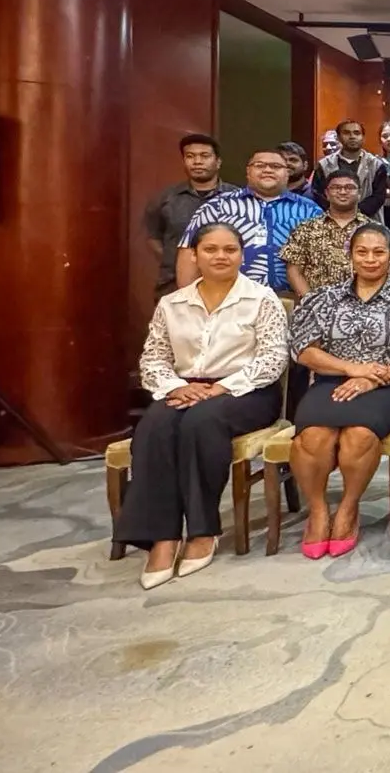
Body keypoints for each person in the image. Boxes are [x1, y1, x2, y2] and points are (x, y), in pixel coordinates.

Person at [117, 223, 289, 588]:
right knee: (154, 426)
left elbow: (273, 359)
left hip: (247, 392)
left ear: (242, 255)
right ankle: (161, 536)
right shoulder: (172, 303)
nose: (221, 257)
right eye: (211, 249)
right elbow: (154, 359)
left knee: (202, 422)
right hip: (183, 388)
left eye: (230, 249)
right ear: (194, 255)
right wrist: (175, 387)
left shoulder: (261, 299)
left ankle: (202, 529)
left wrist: (222, 388)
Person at [289, 223, 390, 557]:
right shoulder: (323, 298)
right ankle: (318, 509)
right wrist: (351, 370)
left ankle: (348, 508)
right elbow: (304, 350)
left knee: (358, 435)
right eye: (362, 252)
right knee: (313, 437)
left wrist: (372, 379)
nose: (370, 259)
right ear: (350, 255)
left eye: (379, 252)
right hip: (331, 383)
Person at [176, 146, 323, 292]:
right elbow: (189, 252)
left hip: (295, 301)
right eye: (259, 166)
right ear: (248, 172)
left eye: (276, 166)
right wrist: (188, 300)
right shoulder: (217, 207)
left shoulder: (309, 210)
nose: (267, 170)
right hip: (229, 299)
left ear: (286, 173)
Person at [144, 133, 235, 296]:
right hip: (173, 285)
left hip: (227, 285)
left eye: (204, 156)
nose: (197, 162)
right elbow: (153, 236)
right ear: (183, 161)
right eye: (190, 156)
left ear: (218, 162)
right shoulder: (166, 198)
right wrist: (176, 260)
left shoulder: (237, 198)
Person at [280, 169, 371, 295]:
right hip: (316, 307)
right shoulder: (306, 228)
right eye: (336, 187)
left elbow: (386, 271)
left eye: (349, 187)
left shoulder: (374, 230)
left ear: (359, 193)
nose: (343, 192)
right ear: (327, 193)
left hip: (364, 307)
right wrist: (313, 303)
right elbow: (294, 272)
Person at [311, 119, 390, 217]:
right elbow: (318, 194)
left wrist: (354, 214)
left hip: (369, 222)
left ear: (363, 137)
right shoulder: (324, 164)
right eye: (346, 133)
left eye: (356, 133)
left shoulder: (376, 165)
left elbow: (379, 197)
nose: (352, 137)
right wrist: (338, 213)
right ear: (339, 138)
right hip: (332, 220)